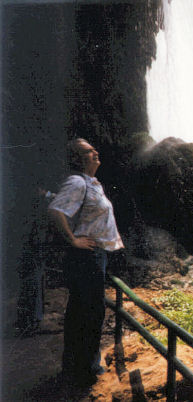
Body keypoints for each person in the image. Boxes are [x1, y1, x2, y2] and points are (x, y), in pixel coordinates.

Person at [48, 138, 124, 386]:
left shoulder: (92, 183)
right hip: (86, 257)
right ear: (79, 158)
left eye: (93, 149)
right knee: (91, 312)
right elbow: (56, 209)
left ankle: (76, 368)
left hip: (94, 256)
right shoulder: (77, 182)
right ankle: (87, 371)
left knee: (82, 311)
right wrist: (73, 240)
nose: (95, 152)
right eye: (88, 151)